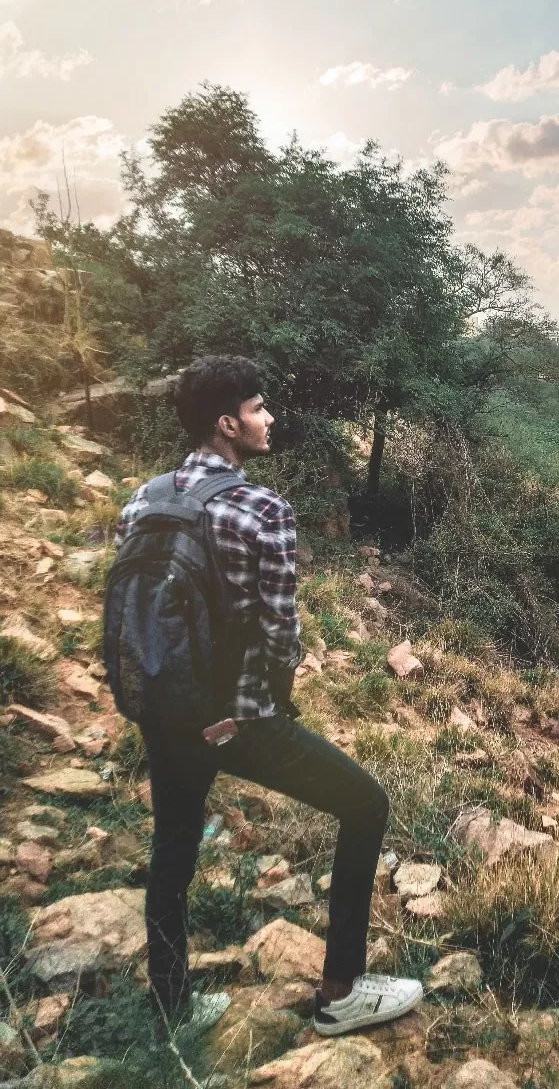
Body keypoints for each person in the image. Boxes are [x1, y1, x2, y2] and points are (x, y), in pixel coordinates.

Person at [115, 355, 423, 1038]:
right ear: (228, 424)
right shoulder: (263, 509)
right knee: (366, 803)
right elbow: (281, 633)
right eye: (258, 408)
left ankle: (172, 1007)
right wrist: (263, 709)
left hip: (164, 709)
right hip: (237, 717)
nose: (270, 418)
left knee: (172, 853)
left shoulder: (145, 496)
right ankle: (342, 991)